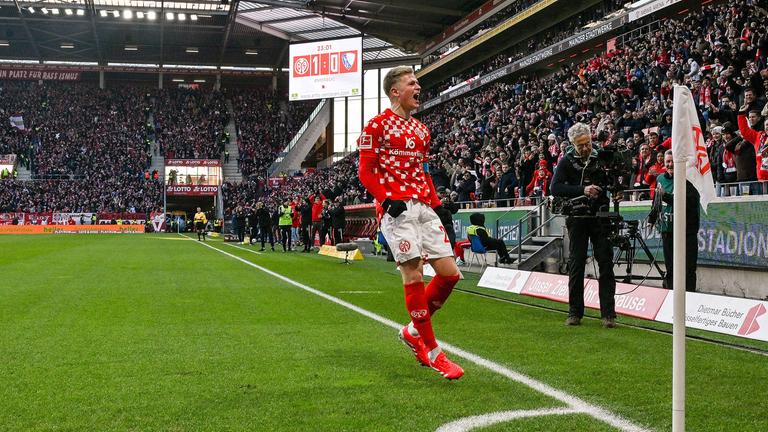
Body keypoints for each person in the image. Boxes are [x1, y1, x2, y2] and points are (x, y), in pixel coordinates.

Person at [357, 65, 463, 379]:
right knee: (414, 271)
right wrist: (386, 200)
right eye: (411, 82)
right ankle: (432, 351)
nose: (418, 86)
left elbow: (425, 172)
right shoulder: (376, 126)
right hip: (396, 211)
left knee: (450, 274)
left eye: (417, 82)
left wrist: (438, 205)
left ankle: (412, 332)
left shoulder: (421, 130)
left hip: (423, 206)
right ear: (395, 91)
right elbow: (365, 171)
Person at [550, 122, 617, 328]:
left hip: (600, 216)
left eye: (587, 143)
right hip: (577, 218)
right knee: (577, 264)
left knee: (605, 263)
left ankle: (608, 314)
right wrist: (583, 190)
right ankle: (575, 312)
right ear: (572, 145)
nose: (586, 148)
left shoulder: (602, 157)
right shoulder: (566, 161)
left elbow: (613, 180)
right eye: (581, 145)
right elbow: (555, 187)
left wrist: (615, 190)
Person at [656, 150, 700, 292]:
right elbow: (657, 200)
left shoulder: (689, 180)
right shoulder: (660, 179)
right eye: (667, 161)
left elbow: (687, 202)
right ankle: (671, 300)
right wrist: (652, 218)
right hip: (668, 231)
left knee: (688, 269)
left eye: (673, 161)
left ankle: (690, 299)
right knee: (671, 269)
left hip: (686, 232)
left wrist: (666, 196)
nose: (670, 164)